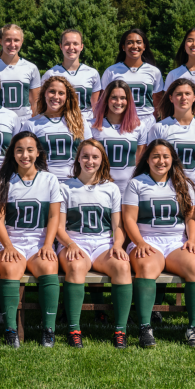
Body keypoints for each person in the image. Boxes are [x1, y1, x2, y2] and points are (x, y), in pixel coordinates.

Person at [123, 139, 195, 349]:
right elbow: (129, 219)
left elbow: (190, 218)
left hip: (176, 241)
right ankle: (145, 327)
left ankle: (194, 329)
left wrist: (193, 241)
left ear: (172, 159)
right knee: (147, 266)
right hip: (146, 240)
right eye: (156, 156)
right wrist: (139, 242)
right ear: (148, 160)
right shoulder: (137, 183)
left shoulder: (182, 183)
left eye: (165, 156)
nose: (161, 161)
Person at [55, 139, 130, 349]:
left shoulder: (112, 188)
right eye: (85, 156)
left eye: (95, 157)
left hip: (102, 244)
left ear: (102, 160)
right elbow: (59, 228)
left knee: (123, 266)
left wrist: (117, 245)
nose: (90, 161)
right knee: (76, 267)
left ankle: (120, 331)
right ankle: (74, 329)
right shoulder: (65, 187)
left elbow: (117, 226)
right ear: (78, 158)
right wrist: (69, 244)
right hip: (74, 242)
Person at [0, 131, 62, 349]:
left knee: (49, 267)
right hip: (11, 241)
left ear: (38, 152)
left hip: (39, 242)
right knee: (11, 269)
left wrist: (48, 245)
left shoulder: (49, 179)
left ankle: (48, 329)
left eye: (30, 150)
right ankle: (11, 330)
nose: (25, 155)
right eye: (19, 150)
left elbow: (53, 217)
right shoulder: (3, 181)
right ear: (12, 153)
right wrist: (8, 246)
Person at [149, 79, 195, 192]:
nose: (183, 98)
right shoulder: (158, 128)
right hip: (170, 188)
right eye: (178, 94)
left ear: (194, 97)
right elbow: (152, 161)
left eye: (187, 94)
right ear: (171, 98)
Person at [21, 76, 91, 182]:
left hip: (75, 183)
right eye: (52, 91)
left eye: (61, 93)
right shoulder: (32, 124)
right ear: (44, 93)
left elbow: (90, 153)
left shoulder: (80, 121)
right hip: (44, 183)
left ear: (67, 97)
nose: (56, 96)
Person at [90, 80, 148, 196]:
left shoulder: (139, 126)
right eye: (114, 98)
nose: (118, 102)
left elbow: (140, 158)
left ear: (129, 101)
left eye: (123, 98)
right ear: (106, 100)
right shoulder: (92, 126)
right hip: (100, 186)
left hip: (129, 188)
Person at [101, 29, 163, 130]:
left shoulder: (154, 71)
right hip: (120, 120)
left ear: (144, 46)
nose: (134, 46)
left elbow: (157, 102)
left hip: (146, 121)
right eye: (129, 43)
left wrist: (153, 122)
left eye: (139, 42)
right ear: (123, 47)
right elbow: (103, 100)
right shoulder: (111, 71)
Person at [0, 24, 41, 120]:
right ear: (1, 41)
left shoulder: (31, 68)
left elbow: (36, 101)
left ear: (22, 41)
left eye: (16, 40)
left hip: (24, 120)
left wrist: (33, 121)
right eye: (8, 40)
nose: (12, 44)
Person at [40, 29, 101, 120]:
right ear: (61, 46)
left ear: (81, 46)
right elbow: (43, 104)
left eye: (75, 44)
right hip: (61, 123)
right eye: (67, 44)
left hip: (86, 124)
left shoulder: (92, 73)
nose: (71, 47)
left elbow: (95, 106)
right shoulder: (50, 74)